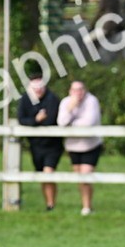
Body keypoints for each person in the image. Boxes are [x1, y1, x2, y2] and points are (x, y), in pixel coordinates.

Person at [56, 80, 102, 215]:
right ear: (70, 91)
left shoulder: (92, 101)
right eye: (75, 90)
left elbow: (89, 123)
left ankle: (87, 207)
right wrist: (71, 108)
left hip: (91, 144)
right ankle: (86, 205)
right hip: (73, 146)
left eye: (81, 89)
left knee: (85, 175)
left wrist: (71, 125)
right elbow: (61, 122)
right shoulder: (66, 102)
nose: (78, 93)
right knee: (79, 177)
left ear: (85, 90)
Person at [16, 77, 63, 210]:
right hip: (35, 145)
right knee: (42, 175)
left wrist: (34, 122)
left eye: (40, 87)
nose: (38, 90)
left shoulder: (52, 99)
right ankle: (49, 203)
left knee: (48, 172)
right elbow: (21, 119)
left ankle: (51, 204)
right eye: (34, 87)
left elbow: (51, 120)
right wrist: (36, 120)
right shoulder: (26, 98)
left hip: (52, 144)